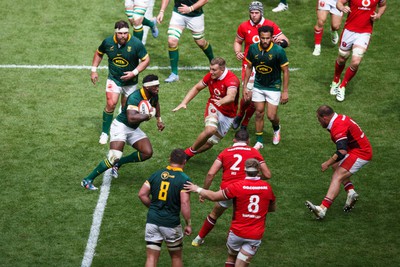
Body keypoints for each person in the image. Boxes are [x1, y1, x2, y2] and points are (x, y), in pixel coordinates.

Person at [185, 158, 276, 267]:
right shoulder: (267, 188)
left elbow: (214, 196)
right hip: (255, 234)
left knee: (231, 257)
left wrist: (197, 189)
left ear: (244, 170)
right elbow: (272, 208)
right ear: (259, 170)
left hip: (237, 232)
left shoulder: (237, 186)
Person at [81, 74, 165, 190]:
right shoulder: (135, 97)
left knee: (147, 152)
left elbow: (156, 105)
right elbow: (131, 118)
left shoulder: (154, 95)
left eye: (158, 85)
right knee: (114, 157)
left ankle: (119, 163)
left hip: (133, 128)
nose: (157, 88)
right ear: (146, 87)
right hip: (120, 126)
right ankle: (87, 179)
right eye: (155, 86)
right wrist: (147, 116)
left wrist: (159, 120)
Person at [191, 129, 272, 247]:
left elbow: (210, 174)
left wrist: (204, 191)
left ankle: (198, 239)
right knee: (241, 215)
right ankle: (237, 240)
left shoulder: (225, 152)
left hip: (227, 190)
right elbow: (267, 175)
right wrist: (254, 178)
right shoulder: (254, 152)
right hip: (246, 190)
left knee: (214, 214)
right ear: (248, 141)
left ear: (234, 140)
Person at [306, 105, 373, 219]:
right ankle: (350, 192)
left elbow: (341, 151)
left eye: (318, 119)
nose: (319, 122)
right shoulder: (339, 118)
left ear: (325, 118)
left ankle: (323, 208)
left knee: (337, 176)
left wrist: (327, 163)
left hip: (361, 153)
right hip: (356, 149)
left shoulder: (338, 126)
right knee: (336, 165)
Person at [91, 20, 150, 145]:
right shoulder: (108, 42)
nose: (123, 36)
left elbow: (146, 60)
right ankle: (105, 133)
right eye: (120, 33)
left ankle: (122, 129)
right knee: (111, 104)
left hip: (131, 82)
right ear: (115, 33)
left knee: (126, 108)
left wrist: (133, 73)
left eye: (125, 33)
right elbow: (99, 53)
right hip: (114, 79)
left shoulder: (136, 43)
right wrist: (94, 70)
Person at [233, 1, 289, 131]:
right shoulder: (243, 26)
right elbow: (237, 41)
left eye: (256, 13)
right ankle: (240, 114)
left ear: (261, 13)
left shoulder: (270, 25)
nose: (254, 15)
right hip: (249, 64)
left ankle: (245, 123)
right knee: (246, 96)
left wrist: (279, 44)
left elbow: (286, 41)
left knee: (254, 98)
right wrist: (237, 52)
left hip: (266, 66)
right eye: (251, 13)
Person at [172, 57, 240, 159]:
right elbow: (196, 87)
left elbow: (231, 96)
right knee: (210, 130)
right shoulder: (210, 76)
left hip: (228, 114)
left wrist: (221, 101)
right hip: (214, 106)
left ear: (222, 70)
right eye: (210, 69)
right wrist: (184, 102)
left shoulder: (232, 79)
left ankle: (188, 153)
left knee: (210, 142)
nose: (211, 72)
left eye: (214, 70)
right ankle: (188, 153)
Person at [138, 148, 192, 267]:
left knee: (151, 257)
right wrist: (188, 223)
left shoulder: (156, 174)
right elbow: (185, 203)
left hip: (152, 221)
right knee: (176, 257)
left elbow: (142, 194)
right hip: (171, 224)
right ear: (184, 162)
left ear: (169, 159)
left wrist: (153, 207)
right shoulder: (184, 179)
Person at [329, 0, 387, 101]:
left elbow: (383, 5)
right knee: (342, 58)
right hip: (349, 30)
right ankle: (336, 80)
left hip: (365, 32)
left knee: (355, 62)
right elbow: (339, 2)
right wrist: (342, 8)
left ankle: (342, 87)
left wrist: (378, 15)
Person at [243, 26, 289, 149]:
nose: (264, 41)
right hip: (258, 85)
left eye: (267, 38)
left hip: (273, 86)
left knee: (271, 116)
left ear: (272, 38)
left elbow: (285, 71)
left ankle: (276, 128)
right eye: (262, 38)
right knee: (259, 113)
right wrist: (246, 87)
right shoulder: (253, 49)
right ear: (259, 37)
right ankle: (259, 141)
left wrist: (285, 91)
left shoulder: (279, 51)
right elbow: (248, 67)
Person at [156, 0, 214, 83]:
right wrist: (162, 11)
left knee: (200, 42)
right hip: (178, 13)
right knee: (172, 41)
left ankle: (214, 63)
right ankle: (174, 74)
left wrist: (190, 8)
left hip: (195, 15)